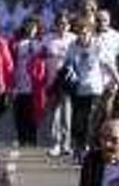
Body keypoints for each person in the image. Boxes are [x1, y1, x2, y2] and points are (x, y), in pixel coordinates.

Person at [62, 18, 119, 161]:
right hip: (77, 89)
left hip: (94, 89)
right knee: (78, 120)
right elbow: (66, 64)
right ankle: (78, 147)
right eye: (79, 33)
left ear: (90, 32)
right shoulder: (72, 46)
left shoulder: (97, 45)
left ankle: (86, 149)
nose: (82, 36)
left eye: (85, 33)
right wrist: (69, 72)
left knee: (90, 119)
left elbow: (110, 66)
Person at [41, 11, 76, 157]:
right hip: (52, 81)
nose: (62, 26)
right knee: (54, 114)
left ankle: (66, 144)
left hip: (68, 82)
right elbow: (40, 58)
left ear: (69, 25)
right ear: (55, 25)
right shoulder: (48, 38)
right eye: (60, 23)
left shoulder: (74, 39)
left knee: (67, 114)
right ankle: (55, 144)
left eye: (65, 24)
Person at [9, 16, 45, 147]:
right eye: (28, 27)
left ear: (37, 29)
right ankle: (21, 137)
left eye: (33, 27)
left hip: (35, 84)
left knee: (33, 112)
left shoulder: (41, 43)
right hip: (19, 82)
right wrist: (11, 84)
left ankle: (32, 137)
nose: (31, 30)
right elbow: (10, 63)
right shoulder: (16, 43)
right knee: (19, 112)